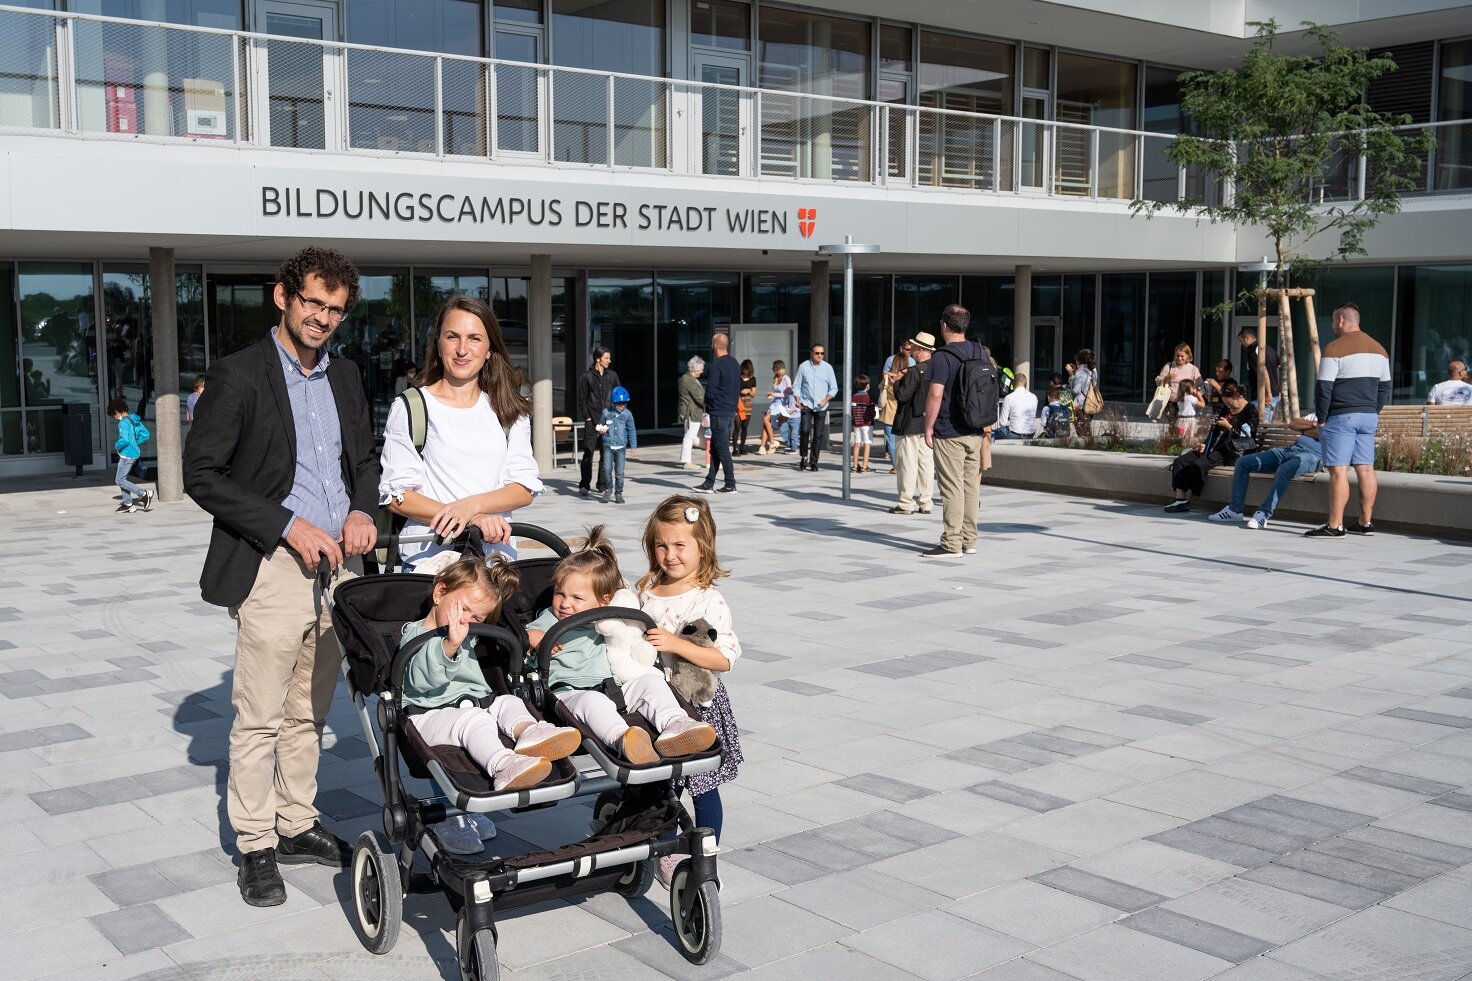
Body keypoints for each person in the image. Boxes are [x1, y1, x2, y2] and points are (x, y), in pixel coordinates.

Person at [183, 246, 379, 907]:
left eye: (335, 309)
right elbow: (202, 474)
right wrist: (287, 525)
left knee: (310, 710)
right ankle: (256, 843)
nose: (322, 317)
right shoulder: (239, 375)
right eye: (313, 302)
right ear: (283, 297)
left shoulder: (345, 375)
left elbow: (366, 461)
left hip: (340, 568)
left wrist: (362, 509)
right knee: (260, 714)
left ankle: (296, 822)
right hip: (273, 564)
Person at [400, 557, 581, 854]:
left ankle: (531, 733)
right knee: (475, 720)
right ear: (439, 593)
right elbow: (421, 680)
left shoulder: (466, 635)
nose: (468, 621)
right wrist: (449, 646)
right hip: (427, 715)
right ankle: (503, 766)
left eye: (477, 618)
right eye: (463, 609)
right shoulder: (416, 634)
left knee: (508, 701)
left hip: (472, 706)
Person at [526, 526, 717, 768]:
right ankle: (625, 739)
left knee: (651, 682)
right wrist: (533, 636)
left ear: (604, 601)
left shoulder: (611, 617)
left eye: (577, 598)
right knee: (594, 703)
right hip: (570, 692)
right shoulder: (549, 619)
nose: (565, 604)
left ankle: (677, 723)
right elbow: (522, 637)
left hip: (615, 686)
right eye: (559, 594)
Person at [380, 296, 540, 570]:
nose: (462, 349)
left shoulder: (509, 408)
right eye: (452, 337)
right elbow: (397, 496)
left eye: (474, 338)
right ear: (438, 343)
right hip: (429, 564)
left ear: (489, 349)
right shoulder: (412, 406)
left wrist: (471, 507)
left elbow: (523, 488)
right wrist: (471, 519)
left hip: (495, 564)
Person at [635, 496, 743, 887]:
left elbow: (724, 658)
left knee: (702, 787)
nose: (670, 555)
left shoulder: (707, 599)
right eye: (662, 545)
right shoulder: (645, 592)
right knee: (662, 785)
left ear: (702, 547)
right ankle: (666, 849)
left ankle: (705, 854)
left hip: (698, 708)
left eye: (680, 545)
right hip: (656, 705)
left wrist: (676, 643)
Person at [1307, 302, 1391, 538]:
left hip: (1341, 416)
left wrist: (1321, 417)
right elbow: (1384, 387)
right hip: (1368, 416)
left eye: (1334, 321)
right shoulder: (1380, 349)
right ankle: (1365, 522)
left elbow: (1324, 387)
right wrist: (1374, 410)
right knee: (1366, 468)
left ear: (1341, 320)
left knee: (1338, 471)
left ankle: (1335, 525)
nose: (1333, 326)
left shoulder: (1334, 348)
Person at [922, 306, 988, 557]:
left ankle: (951, 542)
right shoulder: (979, 352)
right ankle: (969, 541)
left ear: (944, 325)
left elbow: (935, 394)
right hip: (975, 429)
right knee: (971, 487)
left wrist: (928, 427)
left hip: (950, 430)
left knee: (952, 488)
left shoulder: (942, 356)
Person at [1209, 417, 1323, 529]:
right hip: (1289, 450)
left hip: (1312, 456)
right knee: (1242, 463)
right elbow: (1293, 423)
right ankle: (1234, 510)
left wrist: (1305, 429)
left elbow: (1325, 433)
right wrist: (1314, 425)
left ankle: (1263, 514)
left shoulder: (1332, 416)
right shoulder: (1315, 415)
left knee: (1284, 469)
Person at [1164, 382, 1259, 513]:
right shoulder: (1226, 409)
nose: (1229, 406)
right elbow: (1215, 430)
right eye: (1226, 403)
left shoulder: (1250, 410)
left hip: (1232, 451)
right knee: (1180, 461)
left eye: (1230, 403)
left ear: (1239, 396)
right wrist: (1206, 444)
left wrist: (1229, 427)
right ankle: (1179, 498)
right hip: (1216, 446)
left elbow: (1249, 436)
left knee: (1198, 464)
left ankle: (1187, 500)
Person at [889, 331, 936, 514]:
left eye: (915, 347)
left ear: (921, 350)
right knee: (926, 464)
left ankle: (905, 503)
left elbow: (902, 395)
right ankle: (926, 502)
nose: (912, 350)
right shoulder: (936, 370)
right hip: (928, 423)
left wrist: (897, 381)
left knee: (907, 464)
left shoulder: (915, 372)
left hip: (909, 423)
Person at [696, 333, 739, 494]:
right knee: (715, 448)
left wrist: (708, 403)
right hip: (729, 411)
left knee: (722, 449)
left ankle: (730, 483)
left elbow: (711, 391)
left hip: (718, 411)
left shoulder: (717, 365)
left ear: (714, 345)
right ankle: (709, 483)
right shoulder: (734, 364)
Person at [577, 348, 620, 497]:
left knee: (605, 454)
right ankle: (584, 484)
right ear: (598, 359)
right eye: (606, 358)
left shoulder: (612, 376)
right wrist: (587, 417)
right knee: (588, 453)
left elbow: (617, 396)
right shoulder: (586, 377)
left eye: (609, 358)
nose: (609, 361)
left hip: (608, 420)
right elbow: (582, 399)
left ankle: (602, 484)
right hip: (592, 420)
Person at [793, 343, 838, 471]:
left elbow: (834, 388)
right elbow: (797, 385)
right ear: (811, 353)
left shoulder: (828, 368)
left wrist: (826, 400)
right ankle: (803, 456)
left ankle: (814, 462)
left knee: (818, 435)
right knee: (805, 430)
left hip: (821, 406)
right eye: (817, 353)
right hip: (806, 404)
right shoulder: (803, 366)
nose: (820, 356)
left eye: (822, 353)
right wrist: (797, 398)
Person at [108, 396, 153, 513]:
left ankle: (144, 494)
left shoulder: (123, 423)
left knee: (119, 480)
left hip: (127, 454)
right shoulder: (133, 419)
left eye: (113, 415)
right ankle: (128, 504)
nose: (114, 418)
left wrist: (116, 447)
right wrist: (134, 443)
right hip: (133, 453)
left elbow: (124, 440)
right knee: (122, 479)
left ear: (117, 411)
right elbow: (146, 434)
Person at [596, 386, 637, 504]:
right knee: (606, 469)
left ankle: (618, 493)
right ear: (613, 403)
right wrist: (601, 430)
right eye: (618, 404)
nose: (621, 406)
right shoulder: (606, 412)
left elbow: (631, 430)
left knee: (619, 473)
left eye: (623, 403)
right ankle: (608, 490)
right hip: (608, 446)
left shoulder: (628, 414)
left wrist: (633, 446)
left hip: (621, 447)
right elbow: (600, 425)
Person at [881, 341, 916, 468]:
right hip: (903, 410)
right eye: (907, 349)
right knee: (903, 439)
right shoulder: (905, 383)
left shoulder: (890, 383)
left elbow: (883, 379)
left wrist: (891, 378)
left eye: (911, 350)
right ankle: (901, 464)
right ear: (901, 348)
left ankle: (895, 466)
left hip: (890, 411)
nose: (909, 352)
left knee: (891, 439)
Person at [1238, 325, 1281, 422]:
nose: (1241, 344)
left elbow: (1263, 372)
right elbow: (1277, 366)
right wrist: (1277, 389)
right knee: (1262, 421)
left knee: (1260, 423)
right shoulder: (1268, 348)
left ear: (1247, 338)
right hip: (1273, 392)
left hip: (1263, 394)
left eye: (1241, 341)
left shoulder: (1253, 351)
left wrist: (1268, 393)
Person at [678, 356, 706, 470]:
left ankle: (687, 461)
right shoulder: (689, 380)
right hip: (692, 412)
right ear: (695, 369)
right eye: (701, 369)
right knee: (689, 437)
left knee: (689, 436)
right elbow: (700, 398)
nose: (702, 371)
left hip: (690, 411)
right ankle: (687, 462)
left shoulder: (687, 378)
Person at [994, 373, 1038, 439]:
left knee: (992, 432)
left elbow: (1002, 423)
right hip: (1031, 434)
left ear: (1013, 384)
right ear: (1026, 384)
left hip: (1015, 434)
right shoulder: (1034, 397)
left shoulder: (1009, 398)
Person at [1066, 349, 1098, 438]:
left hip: (1080, 406)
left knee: (1081, 431)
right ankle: (1090, 443)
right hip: (1090, 403)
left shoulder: (1080, 373)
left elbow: (1075, 391)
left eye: (1076, 360)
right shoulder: (1093, 370)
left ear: (1079, 361)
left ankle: (1087, 444)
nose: (1075, 361)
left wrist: (1071, 375)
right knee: (1087, 428)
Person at [848, 374, 876, 473]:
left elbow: (851, 410)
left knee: (857, 443)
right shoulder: (868, 398)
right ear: (867, 386)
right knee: (867, 444)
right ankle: (864, 466)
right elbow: (872, 411)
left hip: (856, 424)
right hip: (867, 424)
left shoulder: (853, 397)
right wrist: (873, 415)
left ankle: (855, 466)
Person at [733, 359, 757, 456]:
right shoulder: (737, 378)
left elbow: (753, 394)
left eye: (747, 369)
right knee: (737, 426)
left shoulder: (753, 379)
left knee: (745, 426)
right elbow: (732, 389)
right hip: (738, 402)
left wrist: (748, 391)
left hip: (747, 402)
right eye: (744, 369)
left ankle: (742, 448)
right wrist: (740, 392)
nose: (745, 371)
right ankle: (734, 449)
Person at [1040, 373, 1070, 437]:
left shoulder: (1050, 393)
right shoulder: (1066, 392)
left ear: (1051, 383)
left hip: (1053, 426)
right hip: (1066, 424)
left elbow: (1046, 408)